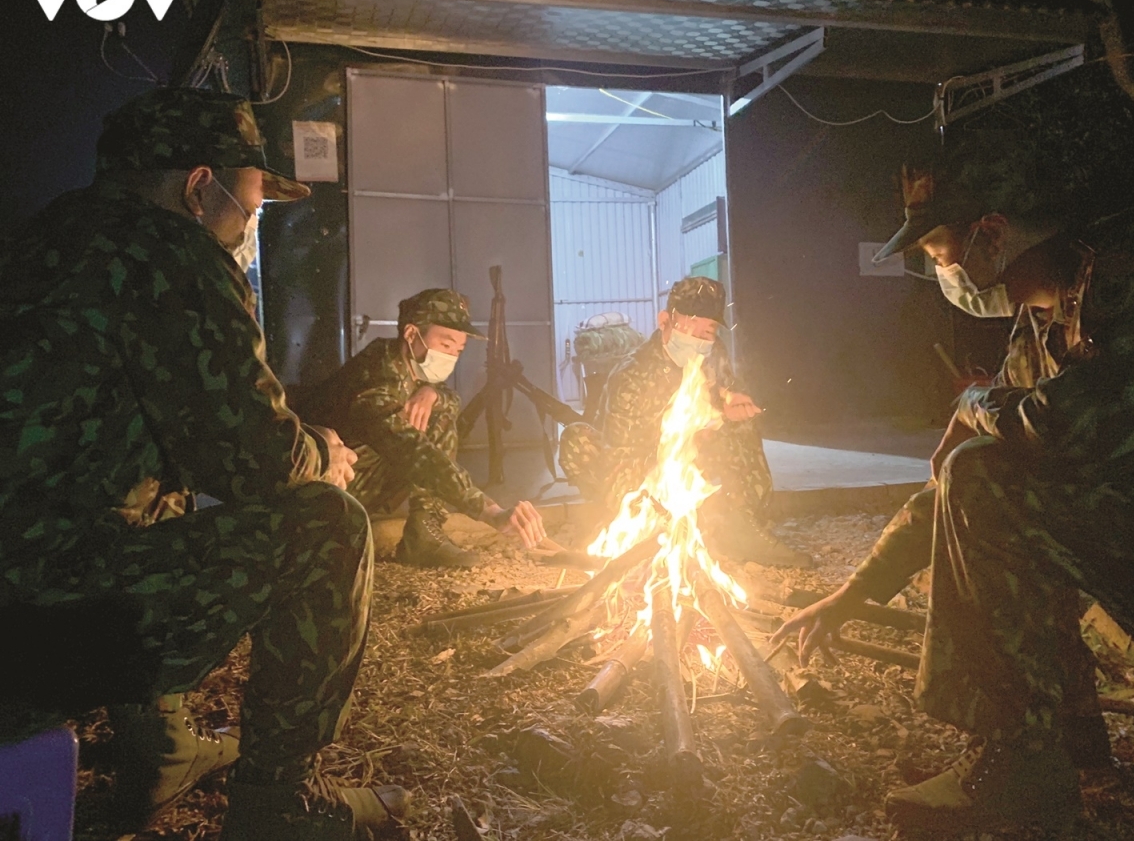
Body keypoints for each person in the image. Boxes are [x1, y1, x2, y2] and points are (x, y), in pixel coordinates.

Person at [0, 87, 407, 840]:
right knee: (327, 525)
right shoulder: (169, 254)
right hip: (35, 624)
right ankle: (276, 806)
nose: (249, 226)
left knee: (145, 491)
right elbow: (254, 459)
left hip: (23, 589)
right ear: (199, 187)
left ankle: (163, 748)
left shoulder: (42, 238)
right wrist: (324, 453)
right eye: (250, 205)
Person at [772, 156, 1134, 834]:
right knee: (989, 491)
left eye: (941, 252)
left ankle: (1027, 766)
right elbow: (960, 491)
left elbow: (1061, 430)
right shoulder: (1039, 325)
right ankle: (1062, 746)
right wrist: (852, 594)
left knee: (991, 480)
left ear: (993, 235)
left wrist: (973, 403)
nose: (944, 273)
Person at [559, 276, 807, 567]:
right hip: (640, 470)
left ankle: (743, 527)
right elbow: (620, 459)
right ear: (665, 321)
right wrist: (644, 520)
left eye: (709, 331)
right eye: (690, 328)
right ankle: (641, 526)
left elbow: (722, 407)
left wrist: (729, 409)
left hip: (692, 462)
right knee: (577, 441)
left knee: (740, 424)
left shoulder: (714, 355)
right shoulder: (631, 375)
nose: (700, 341)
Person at [301, 288, 548, 567]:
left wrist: (433, 393)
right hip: (320, 493)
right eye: (446, 345)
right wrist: (489, 510)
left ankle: (423, 534)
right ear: (410, 334)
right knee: (427, 439)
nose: (452, 356)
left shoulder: (409, 364)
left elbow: (452, 401)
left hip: (358, 476)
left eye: (458, 349)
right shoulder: (377, 374)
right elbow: (413, 451)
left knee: (437, 415)